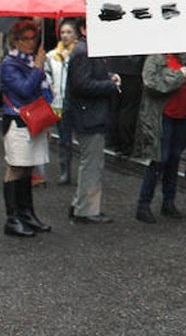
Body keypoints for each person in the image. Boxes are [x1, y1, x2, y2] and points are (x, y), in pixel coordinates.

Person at [133, 53, 186, 223]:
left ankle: (168, 202)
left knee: (174, 159)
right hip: (164, 117)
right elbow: (152, 83)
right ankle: (143, 205)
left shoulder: (183, 57)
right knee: (159, 159)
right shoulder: (155, 58)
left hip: (182, 116)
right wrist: (180, 76)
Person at [0, 18, 54, 237]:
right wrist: (38, 68)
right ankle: (12, 218)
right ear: (16, 40)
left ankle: (27, 213)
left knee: (29, 166)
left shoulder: (31, 60)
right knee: (16, 166)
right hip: (17, 120)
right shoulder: (9, 64)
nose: (31, 42)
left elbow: (42, 92)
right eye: (26, 38)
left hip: (35, 119)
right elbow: (24, 90)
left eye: (33, 38)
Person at [65, 19, 121, 224]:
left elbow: (88, 78)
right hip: (89, 115)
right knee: (92, 163)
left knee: (90, 162)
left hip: (89, 114)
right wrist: (109, 85)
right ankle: (86, 210)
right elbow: (82, 84)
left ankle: (80, 204)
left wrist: (109, 76)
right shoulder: (83, 51)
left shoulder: (88, 49)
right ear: (83, 29)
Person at [45, 17, 79, 185]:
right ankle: (65, 170)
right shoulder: (52, 55)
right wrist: (49, 83)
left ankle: (84, 172)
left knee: (81, 139)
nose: (65, 35)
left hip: (77, 102)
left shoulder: (79, 54)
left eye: (69, 32)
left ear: (75, 35)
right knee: (64, 139)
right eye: (63, 32)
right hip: (59, 102)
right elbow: (46, 73)